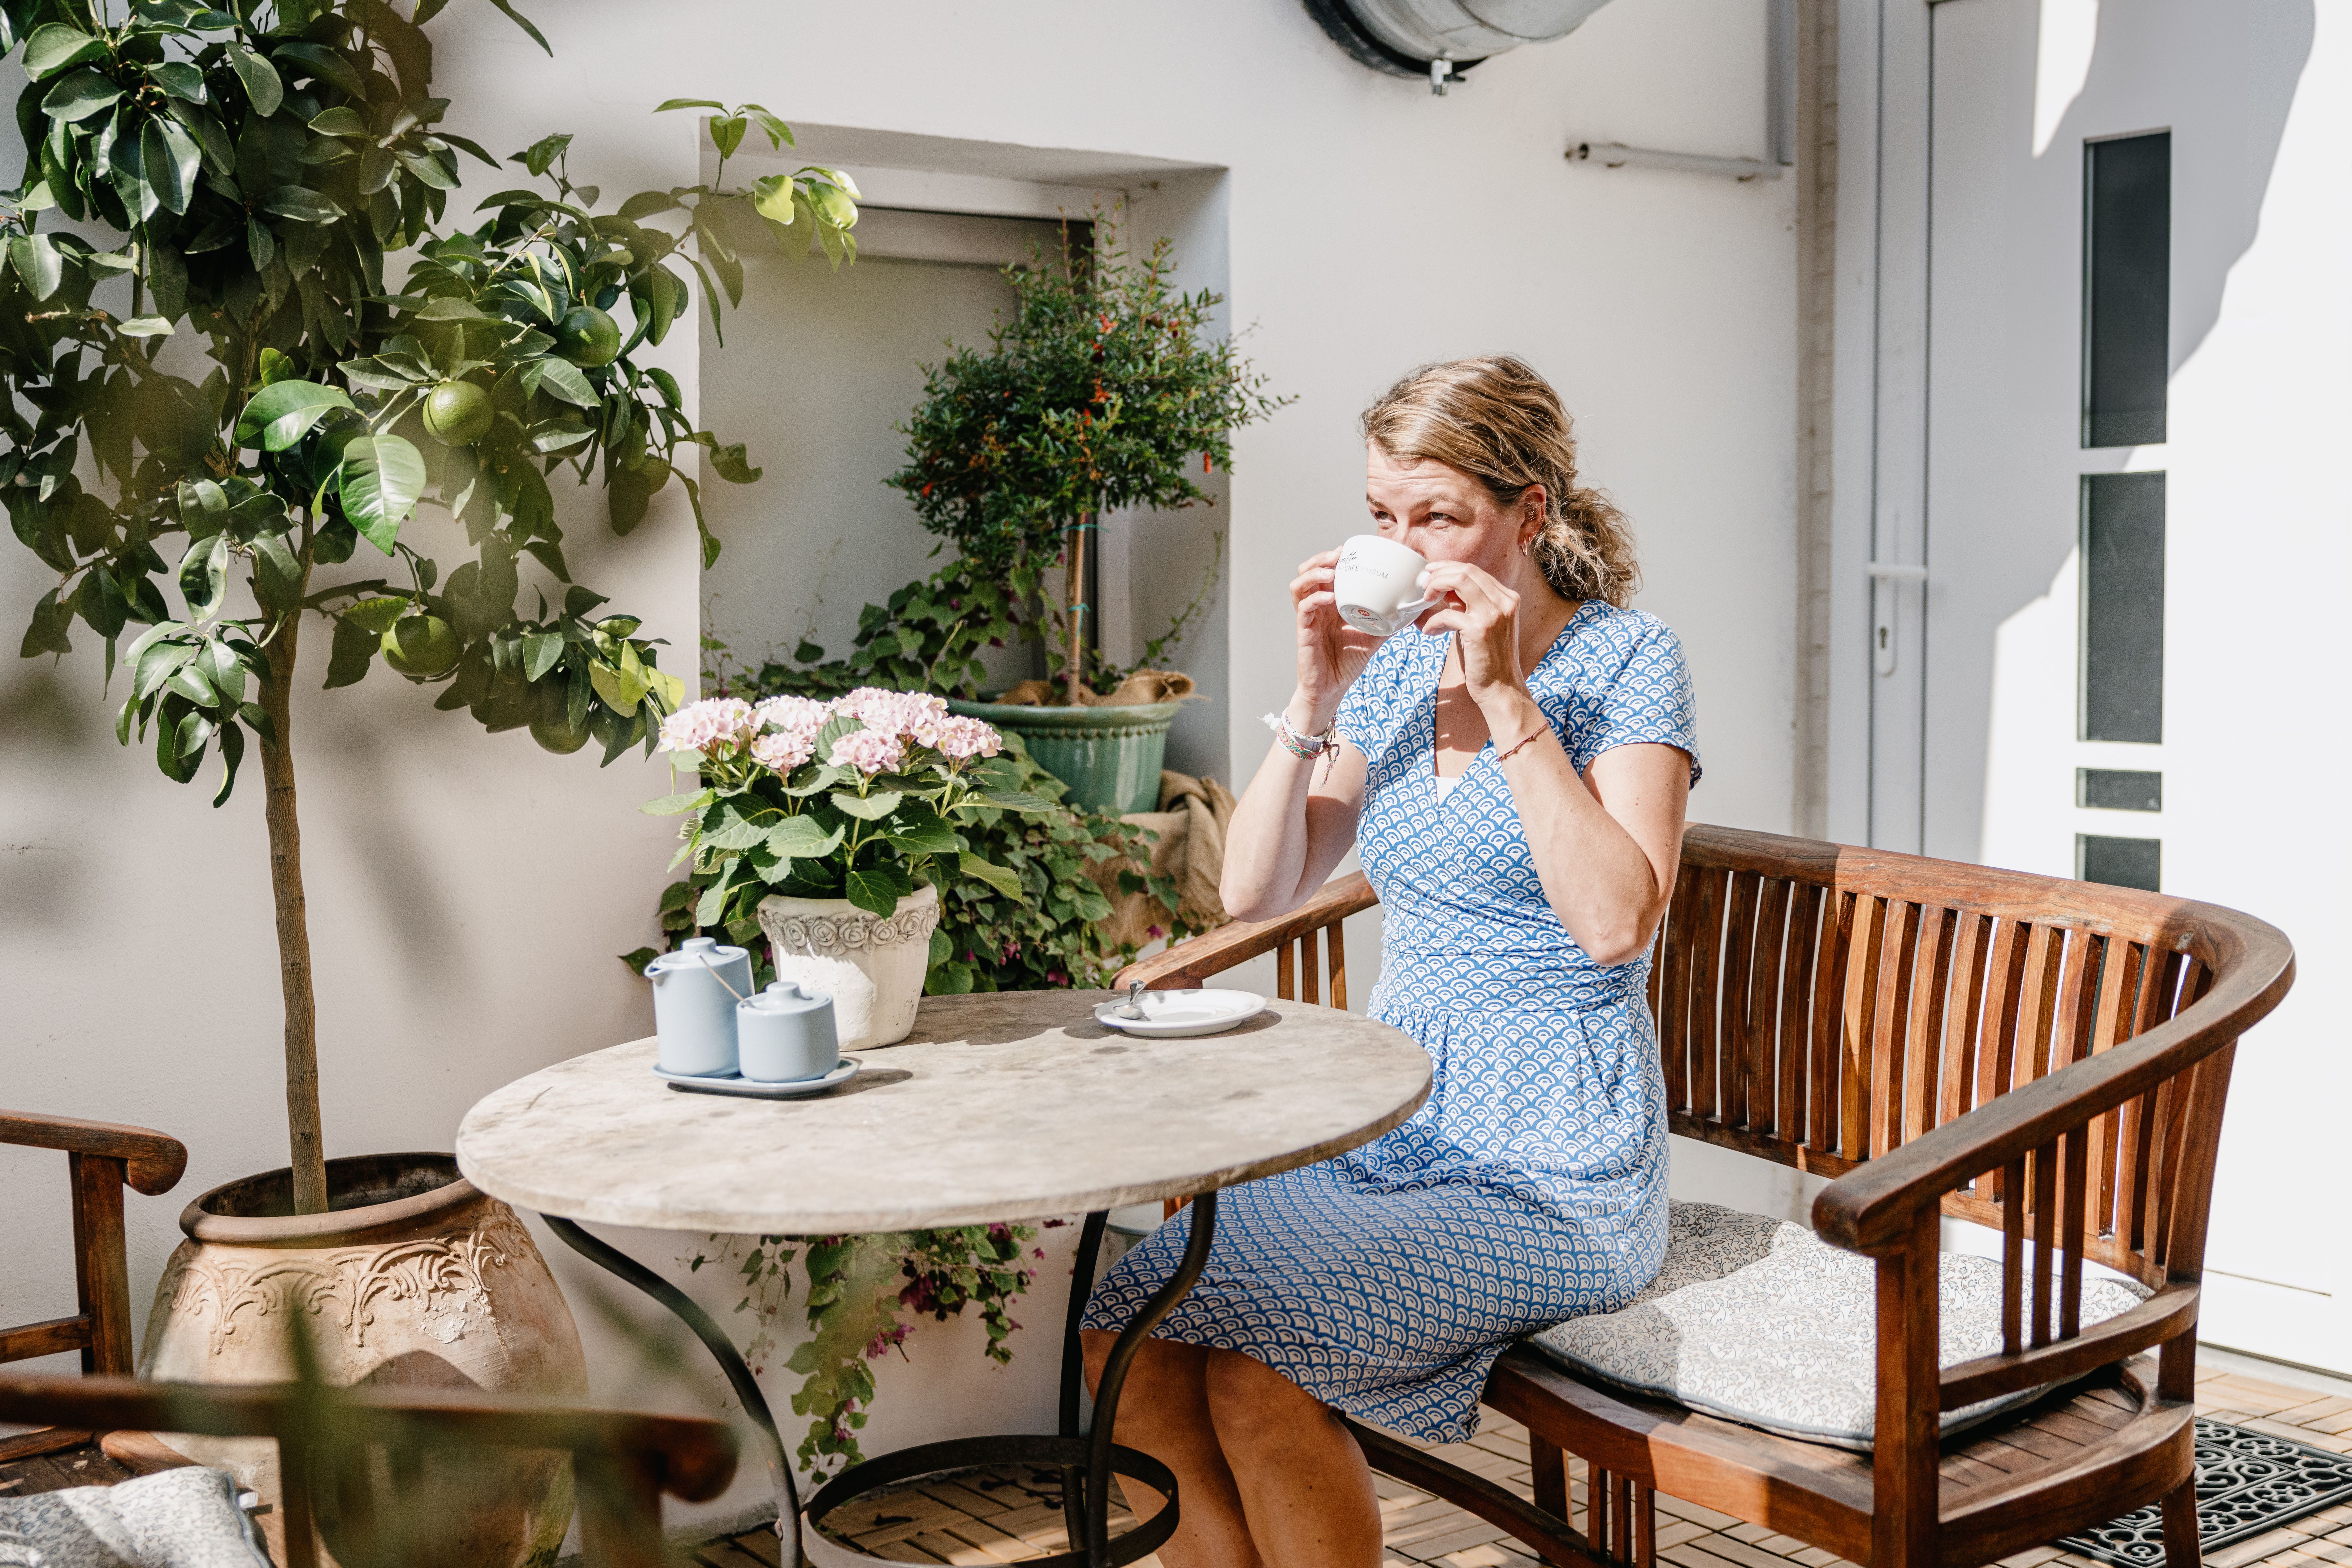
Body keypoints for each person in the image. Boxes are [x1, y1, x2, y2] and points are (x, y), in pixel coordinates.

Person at [1078, 355, 1699, 1568]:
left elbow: (1618, 921)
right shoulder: (1400, 666)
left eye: (1440, 517)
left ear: (1530, 510)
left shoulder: (1627, 661)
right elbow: (1257, 885)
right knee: (1121, 1328)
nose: (1406, 546)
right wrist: (1314, 690)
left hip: (1550, 1166)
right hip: (1389, 1131)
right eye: (1383, 517)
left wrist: (1510, 697)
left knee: (1264, 1378)